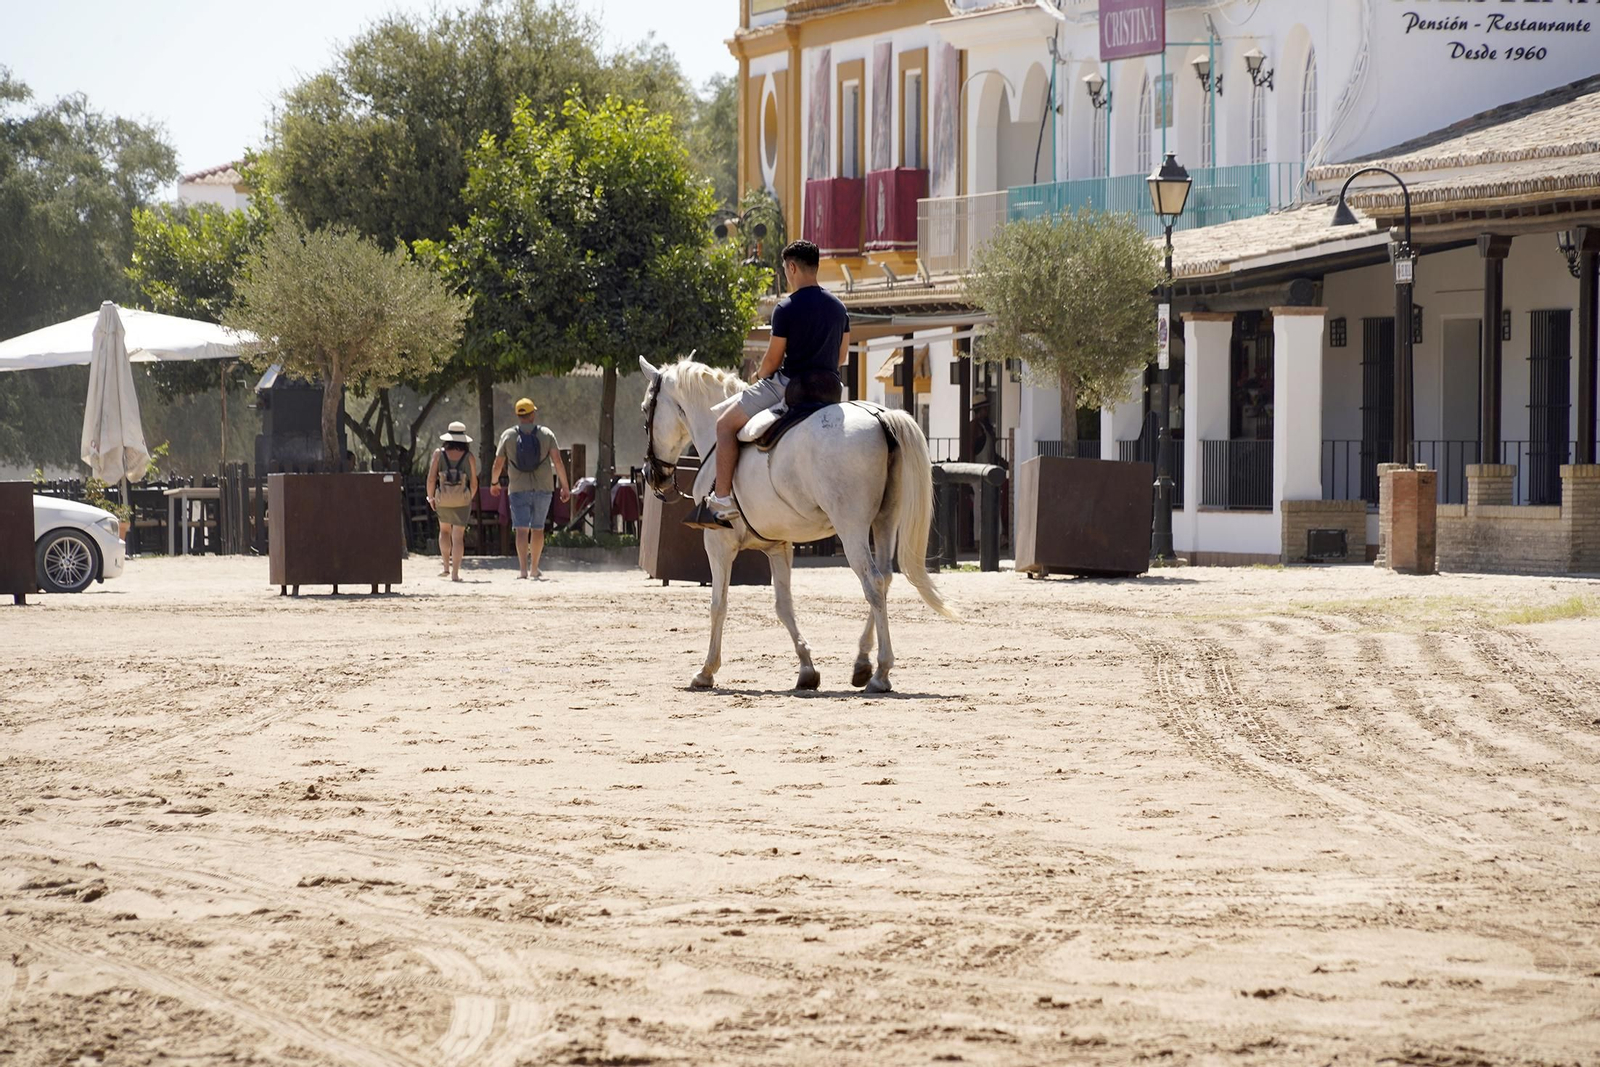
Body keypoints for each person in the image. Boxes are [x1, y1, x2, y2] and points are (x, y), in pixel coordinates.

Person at [691, 239, 850, 528]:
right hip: (830, 388)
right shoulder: (839, 308)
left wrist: (758, 377)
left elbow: (772, 362)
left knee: (724, 425)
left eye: (785, 270)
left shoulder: (786, 308)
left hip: (790, 385)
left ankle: (723, 499)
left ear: (791, 267)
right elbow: (841, 356)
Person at [490, 397, 571, 580]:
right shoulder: (546, 434)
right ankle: (535, 568)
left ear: (518, 414)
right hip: (543, 487)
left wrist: (494, 483)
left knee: (521, 529)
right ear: (532, 414)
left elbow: (497, 464)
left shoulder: (508, 436)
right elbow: (557, 461)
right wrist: (564, 487)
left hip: (518, 488)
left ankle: (522, 570)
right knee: (538, 529)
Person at [427, 422, 478, 582]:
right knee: (458, 537)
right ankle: (455, 573)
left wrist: (431, 497)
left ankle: (446, 568)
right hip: (462, 500)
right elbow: (474, 482)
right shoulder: (468, 457)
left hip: (443, 499)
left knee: (444, 532)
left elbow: (431, 479)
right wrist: (469, 497)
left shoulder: (438, 454)